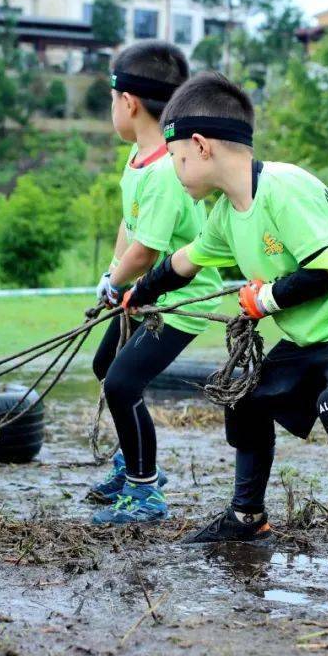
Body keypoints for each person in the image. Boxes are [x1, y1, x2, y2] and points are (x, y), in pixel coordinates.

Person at [123, 72, 328, 588]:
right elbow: (182, 264)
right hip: (314, 333)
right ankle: (246, 518)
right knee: (244, 397)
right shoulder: (224, 216)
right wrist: (136, 294)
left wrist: (264, 299)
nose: (174, 167)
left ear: (199, 146)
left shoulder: (283, 187)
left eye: (175, 156)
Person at [87, 41, 223, 525]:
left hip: (179, 300)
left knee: (123, 383)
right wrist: (114, 274)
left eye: (111, 102)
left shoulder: (167, 169)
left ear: (128, 102)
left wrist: (113, 279)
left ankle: (145, 494)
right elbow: (132, 227)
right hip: (144, 296)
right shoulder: (139, 157)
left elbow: (148, 249)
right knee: (107, 364)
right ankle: (134, 462)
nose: (112, 111)